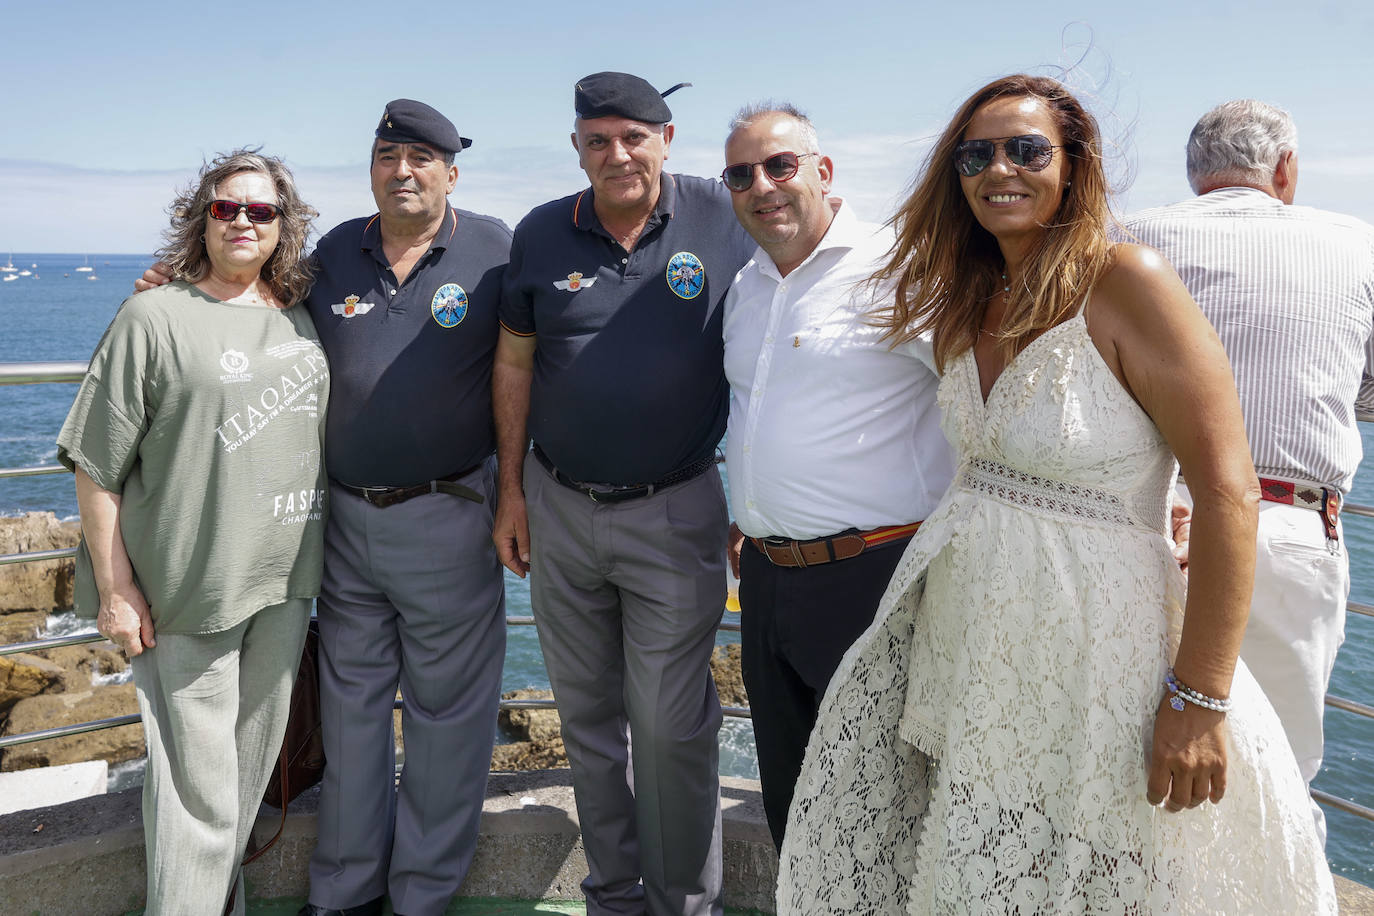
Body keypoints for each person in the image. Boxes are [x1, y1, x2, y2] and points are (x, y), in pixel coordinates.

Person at [776, 75, 1336, 914]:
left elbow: (1227, 489)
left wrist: (1200, 694)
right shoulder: (969, 296)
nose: (999, 168)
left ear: (1074, 165)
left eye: (1027, 149)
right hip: (977, 647)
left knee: (1114, 865)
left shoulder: (1127, 280)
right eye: (977, 153)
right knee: (996, 859)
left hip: (1101, 651)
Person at [140, 101, 510, 916]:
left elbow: (537, 357)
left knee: (448, 728)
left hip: (448, 514)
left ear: (453, 171)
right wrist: (175, 290)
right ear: (372, 165)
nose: (403, 170)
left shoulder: (496, 251)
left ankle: (419, 897)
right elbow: (250, 290)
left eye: (421, 157)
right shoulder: (335, 250)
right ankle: (343, 892)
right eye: (388, 154)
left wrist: (517, 492)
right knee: (349, 715)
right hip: (339, 524)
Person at [493, 72, 753, 915]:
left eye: (634, 137)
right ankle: (613, 894)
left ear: (667, 140)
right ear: (577, 148)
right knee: (588, 721)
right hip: (558, 506)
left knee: (674, 728)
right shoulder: (540, 233)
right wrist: (511, 491)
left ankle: (683, 903)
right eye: (599, 140)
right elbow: (514, 361)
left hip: (676, 508)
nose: (618, 155)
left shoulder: (726, 212)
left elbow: (816, 263)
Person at [59, 149, 327, 915]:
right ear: (200, 219)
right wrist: (116, 590)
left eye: (261, 210)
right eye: (226, 208)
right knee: (195, 798)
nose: (244, 220)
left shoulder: (298, 313)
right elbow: (96, 464)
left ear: (284, 225)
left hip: (282, 586)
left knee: (239, 788)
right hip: (186, 592)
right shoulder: (154, 315)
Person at [1124, 99, 1374, 845]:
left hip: (1152, 519)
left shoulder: (1132, 237)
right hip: (1290, 525)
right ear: (1286, 169)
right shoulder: (1358, 245)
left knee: (1138, 769)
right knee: (1280, 778)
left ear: (1196, 174)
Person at [719, 103, 953, 850]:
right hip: (764, 578)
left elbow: (992, 398)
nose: (763, 185)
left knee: (883, 804)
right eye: (741, 174)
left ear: (823, 171)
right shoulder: (746, 285)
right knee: (795, 802)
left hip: (872, 578)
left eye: (780, 165)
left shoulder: (902, 269)